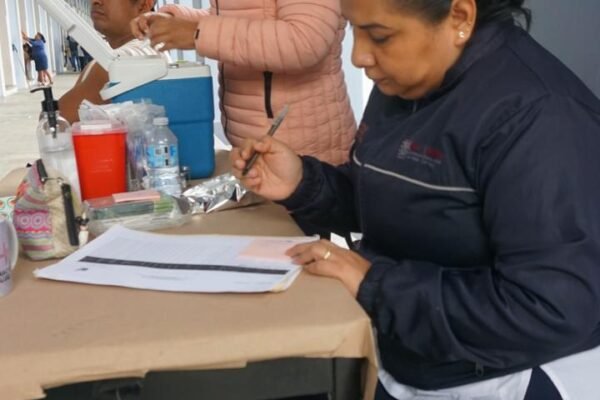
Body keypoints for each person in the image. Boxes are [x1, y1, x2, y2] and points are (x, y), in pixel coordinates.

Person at [231, 0, 600, 399]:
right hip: (409, 350)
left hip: (501, 375)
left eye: (380, 36)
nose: (358, 56)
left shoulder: (538, 118)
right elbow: (399, 200)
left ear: (459, 17)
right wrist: (304, 183)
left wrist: (374, 284)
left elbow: (548, 308)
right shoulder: (409, 79)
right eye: (354, 29)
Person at [130, 0, 356, 166]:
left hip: (303, 152)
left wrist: (196, 33)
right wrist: (177, 21)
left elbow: (304, 41)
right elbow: (246, 18)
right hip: (254, 147)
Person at [59, 0, 166, 124]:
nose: (95, 1)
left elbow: (54, 122)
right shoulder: (153, 50)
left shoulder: (118, 63)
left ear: (143, 5)